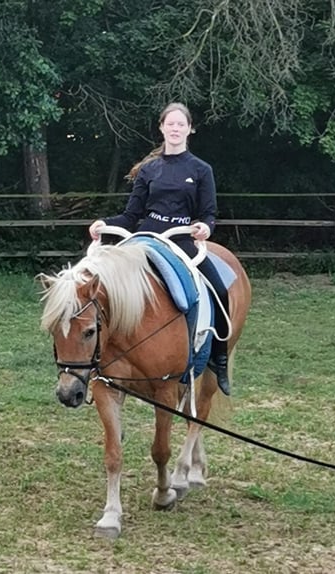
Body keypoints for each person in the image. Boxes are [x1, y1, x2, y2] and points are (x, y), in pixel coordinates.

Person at [88, 102, 232, 395]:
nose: (175, 129)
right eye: (171, 124)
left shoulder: (201, 170)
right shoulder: (149, 169)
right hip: (146, 238)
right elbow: (131, 216)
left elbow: (208, 214)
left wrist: (205, 227)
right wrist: (103, 223)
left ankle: (219, 359)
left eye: (181, 124)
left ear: (190, 129)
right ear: (162, 127)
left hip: (181, 239)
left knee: (219, 287)